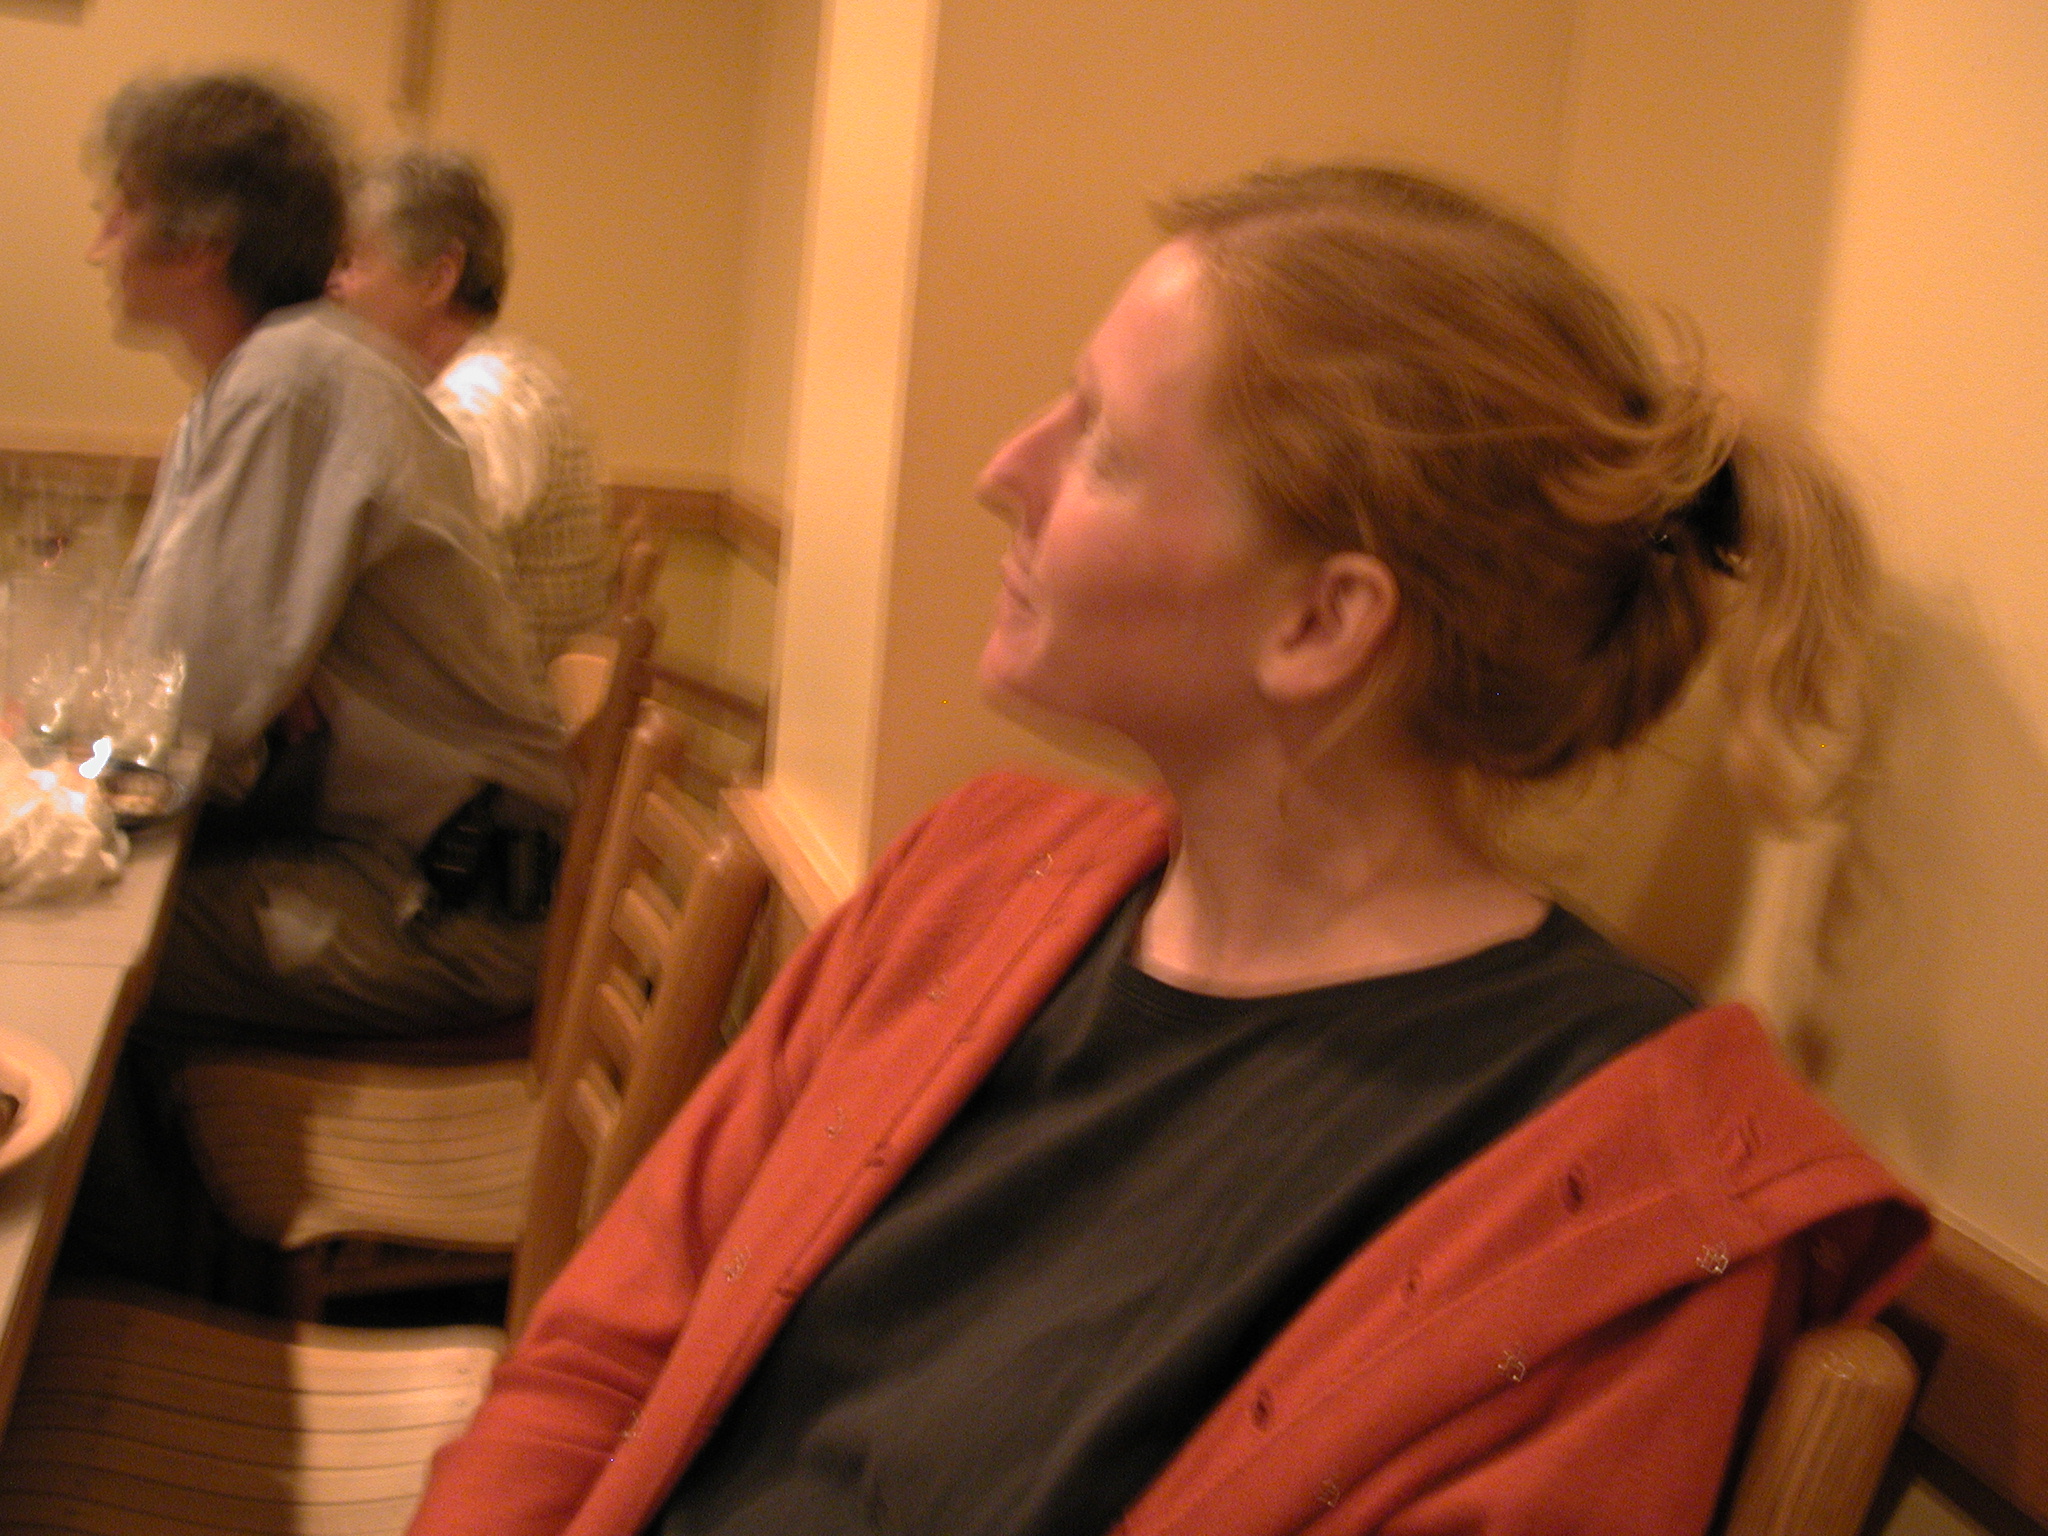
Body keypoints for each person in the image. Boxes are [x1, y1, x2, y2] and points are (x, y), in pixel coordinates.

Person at [407, 166, 1927, 1536]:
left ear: (1321, 622)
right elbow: (598, 1365)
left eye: (1104, 446)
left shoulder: (1612, 1211)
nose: (1005, 469)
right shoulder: (968, 882)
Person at [87, 72, 568, 1038]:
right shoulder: (280, 371)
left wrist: (164, 719)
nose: (99, 241)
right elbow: (186, 686)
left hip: (440, 903)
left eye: (125, 208)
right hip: (399, 860)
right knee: (83, 920)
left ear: (203, 244)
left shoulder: (292, 380)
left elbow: (183, 701)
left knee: (83, 949)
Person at [329, 147, 616, 679]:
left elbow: (388, 571)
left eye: (352, 262)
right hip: (485, 707)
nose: (335, 286)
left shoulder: (488, 400)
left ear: (437, 279)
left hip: (496, 721)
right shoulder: (490, 381)